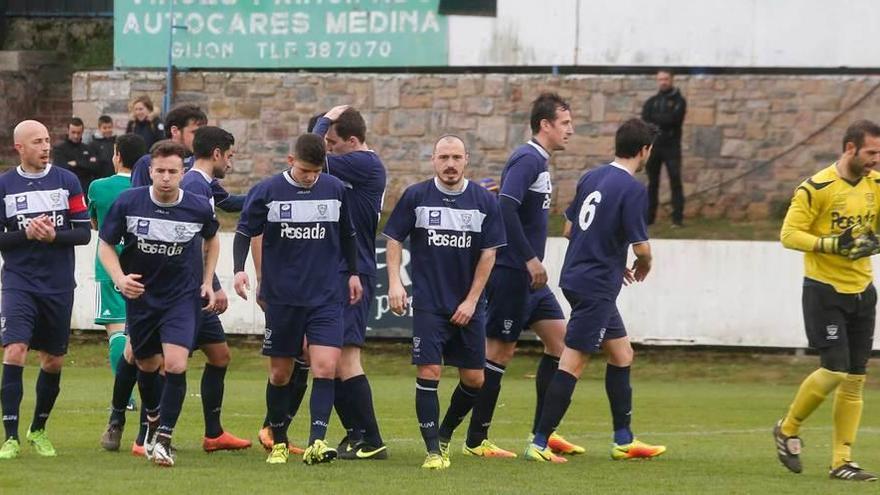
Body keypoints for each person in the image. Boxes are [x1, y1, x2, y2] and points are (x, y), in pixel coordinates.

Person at [525, 118, 666, 463]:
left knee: (622, 354)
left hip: (578, 276)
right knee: (573, 361)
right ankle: (539, 443)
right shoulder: (633, 189)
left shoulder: (592, 176)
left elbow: (571, 228)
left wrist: (605, 257)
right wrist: (642, 265)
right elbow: (641, 248)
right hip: (596, 285)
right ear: (644, 150)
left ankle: (623, 440)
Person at [232, 133, 362, 465]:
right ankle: (278, 441)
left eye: (316, 171)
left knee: (325, 367)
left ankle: (317, 442)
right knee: (280, 374)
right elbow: (245, 231)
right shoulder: (267, 192)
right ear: (291, 162)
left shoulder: (334, 190)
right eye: (305, 170)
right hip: (283, 297)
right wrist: (239, 270)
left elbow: (348, 234)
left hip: (325, 296)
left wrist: (353, 273)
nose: (310, 177)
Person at [465, 92, 581, 460]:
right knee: (499, 351)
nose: (570, 130)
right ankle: (476, 439)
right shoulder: (528, 158)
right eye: (564, 123)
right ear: (545, 124)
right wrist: (531, 259)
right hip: (514, 271)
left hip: (532, 279)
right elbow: (505, 207)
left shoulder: (538, 163)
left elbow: (512, 198)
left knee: (561, 345)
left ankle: (542, 435)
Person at [383, 135, 506, 470]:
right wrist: (395, 282)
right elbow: (392, 237)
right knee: (430, 370)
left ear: (466, 160)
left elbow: (489, 253)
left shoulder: (483, 201)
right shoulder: (416, 196)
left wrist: (471, 301)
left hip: (469, 305)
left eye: (456, 157)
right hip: (429, 303)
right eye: (443, 157)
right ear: (433, 160)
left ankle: (446, 432)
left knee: (474, 380)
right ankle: (433, 452)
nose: (450, 164)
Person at [98, 140, 219, 467]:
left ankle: (164, 438)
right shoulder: (128, 202)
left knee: (177, 363)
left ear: (183, 173)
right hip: (143, 298)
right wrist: (120, 279)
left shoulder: (197, 206)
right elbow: (105, 245)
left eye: (173, 171)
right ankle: (152, 422)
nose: (166, 177)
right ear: (150, 171)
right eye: (160, 171)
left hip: (182, 297)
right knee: (146, 365)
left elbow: (212, 238)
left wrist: (207, 281)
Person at [775, 120, 880, 482]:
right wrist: (831, 244)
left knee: (854, 379)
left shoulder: (876, 185)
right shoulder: (816, 187)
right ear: (850, 148)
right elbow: (789, 234)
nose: (875, 160)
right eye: (871, 153)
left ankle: (841, 461)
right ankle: (787, 427)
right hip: (824, 290)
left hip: (863, 292)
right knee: (834, 369)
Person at [0, 120, 92, 460]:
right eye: (37, 142)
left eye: (47, 140)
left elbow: (83, 233)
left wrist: (54, 235)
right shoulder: (5, 185)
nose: (45, 146)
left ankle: (38, 429)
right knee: (15, 350)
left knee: (52, 361)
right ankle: (10, 437)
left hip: (57, 284)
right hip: (19, 282)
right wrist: (27, 234)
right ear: (20, 148)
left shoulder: (66, 181)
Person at [310, 105, 388, 460]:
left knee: (346, 358)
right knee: (328, 356)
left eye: (332, 142)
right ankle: (358, 434)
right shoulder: (355, 165)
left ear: (353, 142)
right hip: (338, 271)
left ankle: (371, 440)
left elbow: (307, 153)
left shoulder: (365, 163)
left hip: (352, 272)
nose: (328, 149)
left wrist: (324, 120)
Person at [177, 126, 251, 452]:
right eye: (230, 156)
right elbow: (196, 241)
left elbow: (233, 203)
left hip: (199, 288)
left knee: (219, 356)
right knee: (163, 363)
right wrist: (215, 286)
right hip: (189, 290)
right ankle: (147, 433)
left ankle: (214, 434)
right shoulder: (193, 185)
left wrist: (273, 191)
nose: (231, 164)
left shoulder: (205, 185)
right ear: (217, 154)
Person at [88, 133, 145, 416]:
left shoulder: (99, 187)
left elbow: (96, 224)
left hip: (109, 267)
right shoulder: (148, 188)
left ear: (118, 156)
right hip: (144, 266)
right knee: (142, 332)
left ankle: (127, 396)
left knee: (116, 331)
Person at [131, 103, 244, 213]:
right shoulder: (146, 163)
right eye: (195, 132)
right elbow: (137, 204)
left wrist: (260, 194)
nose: (201, 138)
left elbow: (227, 202)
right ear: (175, 131)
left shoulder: (198, 164)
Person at [641, 69, 687, 227]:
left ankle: (677, 219)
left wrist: (658, 120)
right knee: (652, 183)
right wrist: (661, 121)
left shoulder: (679, 101)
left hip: (672, 147)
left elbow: (674, 120)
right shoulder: (652, 101)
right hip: (655, 146)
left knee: (675, 181)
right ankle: (649, 218)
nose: (663, 82)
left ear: (672, 79)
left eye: (666, 79)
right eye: (660, 79)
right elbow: (645, 120)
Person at [53, 117, 101, 197]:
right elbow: (61, 168)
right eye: (73, 132)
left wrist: (76, 163)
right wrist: (85, 164)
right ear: (68, 131)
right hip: (67, 190)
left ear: (82, 132)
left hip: (85, 190)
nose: (76, 136)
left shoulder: (88, 148)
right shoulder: (60, 149)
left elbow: (95, 167)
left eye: (79, 133)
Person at [89, 115, 117, 180]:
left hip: (114, 177)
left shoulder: (117, 142)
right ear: (99, 128)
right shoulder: (93, 144)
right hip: (99, 178)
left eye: (109, 127)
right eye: (104, 128)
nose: (107, 130)